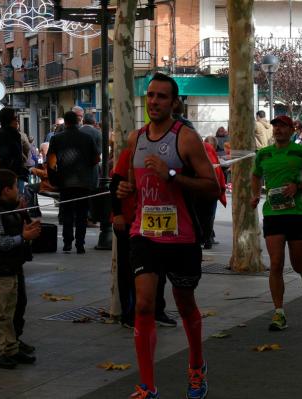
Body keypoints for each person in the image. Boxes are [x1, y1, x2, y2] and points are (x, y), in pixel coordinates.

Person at [116, 72, 219, 399]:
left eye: (161, 97)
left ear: (174, 102)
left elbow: (212, 187)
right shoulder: (136, 138)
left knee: (185, 303)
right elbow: (132, 183)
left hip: (181, 237)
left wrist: (172, 174)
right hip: (144, 235)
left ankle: (196, 366)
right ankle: (147, 385)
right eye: (150, 96)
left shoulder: (185, 138)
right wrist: (125, 190)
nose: (154, 102)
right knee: (143, 306)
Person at [251, 114, 302, 332]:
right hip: (273, 214)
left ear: (292, 130)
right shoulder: (263, 154)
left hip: (296, 213)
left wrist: (297, 187)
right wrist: (254, 194)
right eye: (275, 127)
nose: (278, 130)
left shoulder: (301, 152)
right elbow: (255, 176)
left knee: (296, 263)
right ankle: (279, 312)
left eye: (282, 127)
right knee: (276, 262)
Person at [0, 169, 40, 369]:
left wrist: (24, 225)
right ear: (6, 190)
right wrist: (23, 238)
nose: (18, 190)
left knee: (9, 310)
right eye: (15, 187)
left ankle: (11, 348)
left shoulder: (6, 207)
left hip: (9, 267)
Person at [110, 148, 177, 329]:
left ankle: (157, 310)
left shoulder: (172, 150)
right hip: (130, 221)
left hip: (158, 218)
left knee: (160, 268)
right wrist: (117, 214)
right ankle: (129, 314)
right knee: (129, 269)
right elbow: (115, 182)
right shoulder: (135, 148)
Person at [47, 111, 100, 254]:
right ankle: (80, 244)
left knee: (67, 212)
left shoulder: (57, 139)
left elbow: (51, 161)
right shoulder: (87, 138)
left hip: (65, 182)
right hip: (84, 182)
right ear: (78, 122)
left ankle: (67, 243)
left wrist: (53, 178)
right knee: (82, 214)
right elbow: (96, 159)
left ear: (65, 122)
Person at [198, 136, 227, 249]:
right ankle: (207, 239)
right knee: (209, 216)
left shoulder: (197, 150)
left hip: (199, 190)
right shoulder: (210, 152)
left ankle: (203, 238)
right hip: (211, 191)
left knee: (199, 215)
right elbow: (219, 174)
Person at [0, 108, 29, 190]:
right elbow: (7, 158)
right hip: (11, 177)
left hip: (14, 175)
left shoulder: (12, 134)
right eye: (15, 118)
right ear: (8, 120)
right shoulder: (6, 136)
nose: (17, 121)